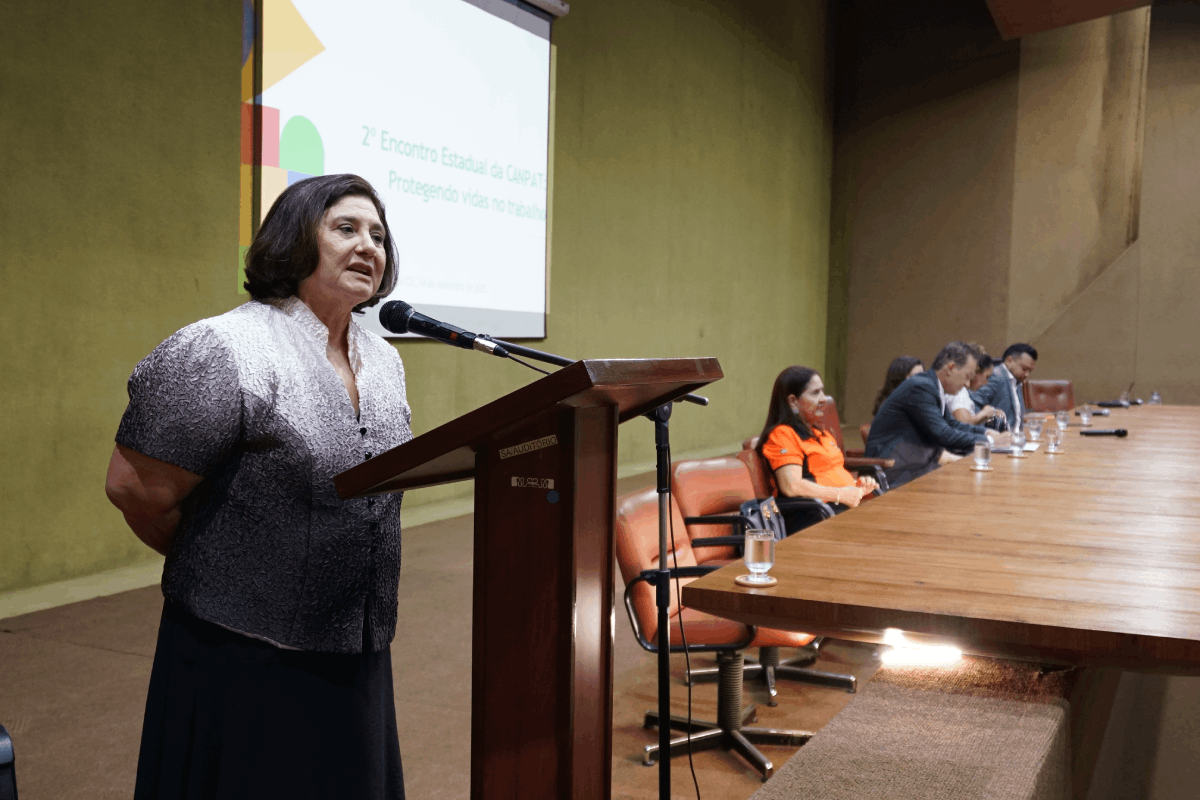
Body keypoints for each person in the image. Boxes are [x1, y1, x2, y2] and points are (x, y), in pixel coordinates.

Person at [104, 174, 411, 799]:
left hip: (355, 646)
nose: (368, 246)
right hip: (243, 656)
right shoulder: (224, 347)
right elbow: (134, 487)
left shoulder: (382, 358)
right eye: (346, 228)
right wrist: (234, 566)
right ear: (295, 238)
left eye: (378, 234)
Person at [865, 342, 1010, 488]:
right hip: (895, 472)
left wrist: (987, 432)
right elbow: (944, 434)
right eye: (967, 376)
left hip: (916, 468)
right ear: (950, 368)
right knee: (971, 481)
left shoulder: (933, 386)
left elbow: (952, 424)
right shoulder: (921, 387)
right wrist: (990, 440)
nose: (967, 384)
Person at [755, 366, 879, 531]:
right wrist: (842, 494)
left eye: (822, 391)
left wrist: (858, 486)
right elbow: (792, 486)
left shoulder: (820, 433)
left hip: (839, 508)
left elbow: (831, 475)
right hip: (814, 516)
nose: (824, 399)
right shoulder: (783, 434)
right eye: (815, 393)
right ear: (793, 401)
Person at [971, 343, 1037, 433]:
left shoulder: (1015, 378)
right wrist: (987, 433)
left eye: (1030, 371)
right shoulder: (996, 376)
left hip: (1014, 438)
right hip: (997, 440)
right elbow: (973, 404)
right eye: (1024, 369)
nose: (1027, 374)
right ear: (1009, 360)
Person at [949, 350, 1004, 426]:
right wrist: (983, 414)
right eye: (986, 377)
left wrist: (988, 412)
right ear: (976, 372)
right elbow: (964, 424)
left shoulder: (963, 391)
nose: (986, 383)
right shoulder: (959, 392)